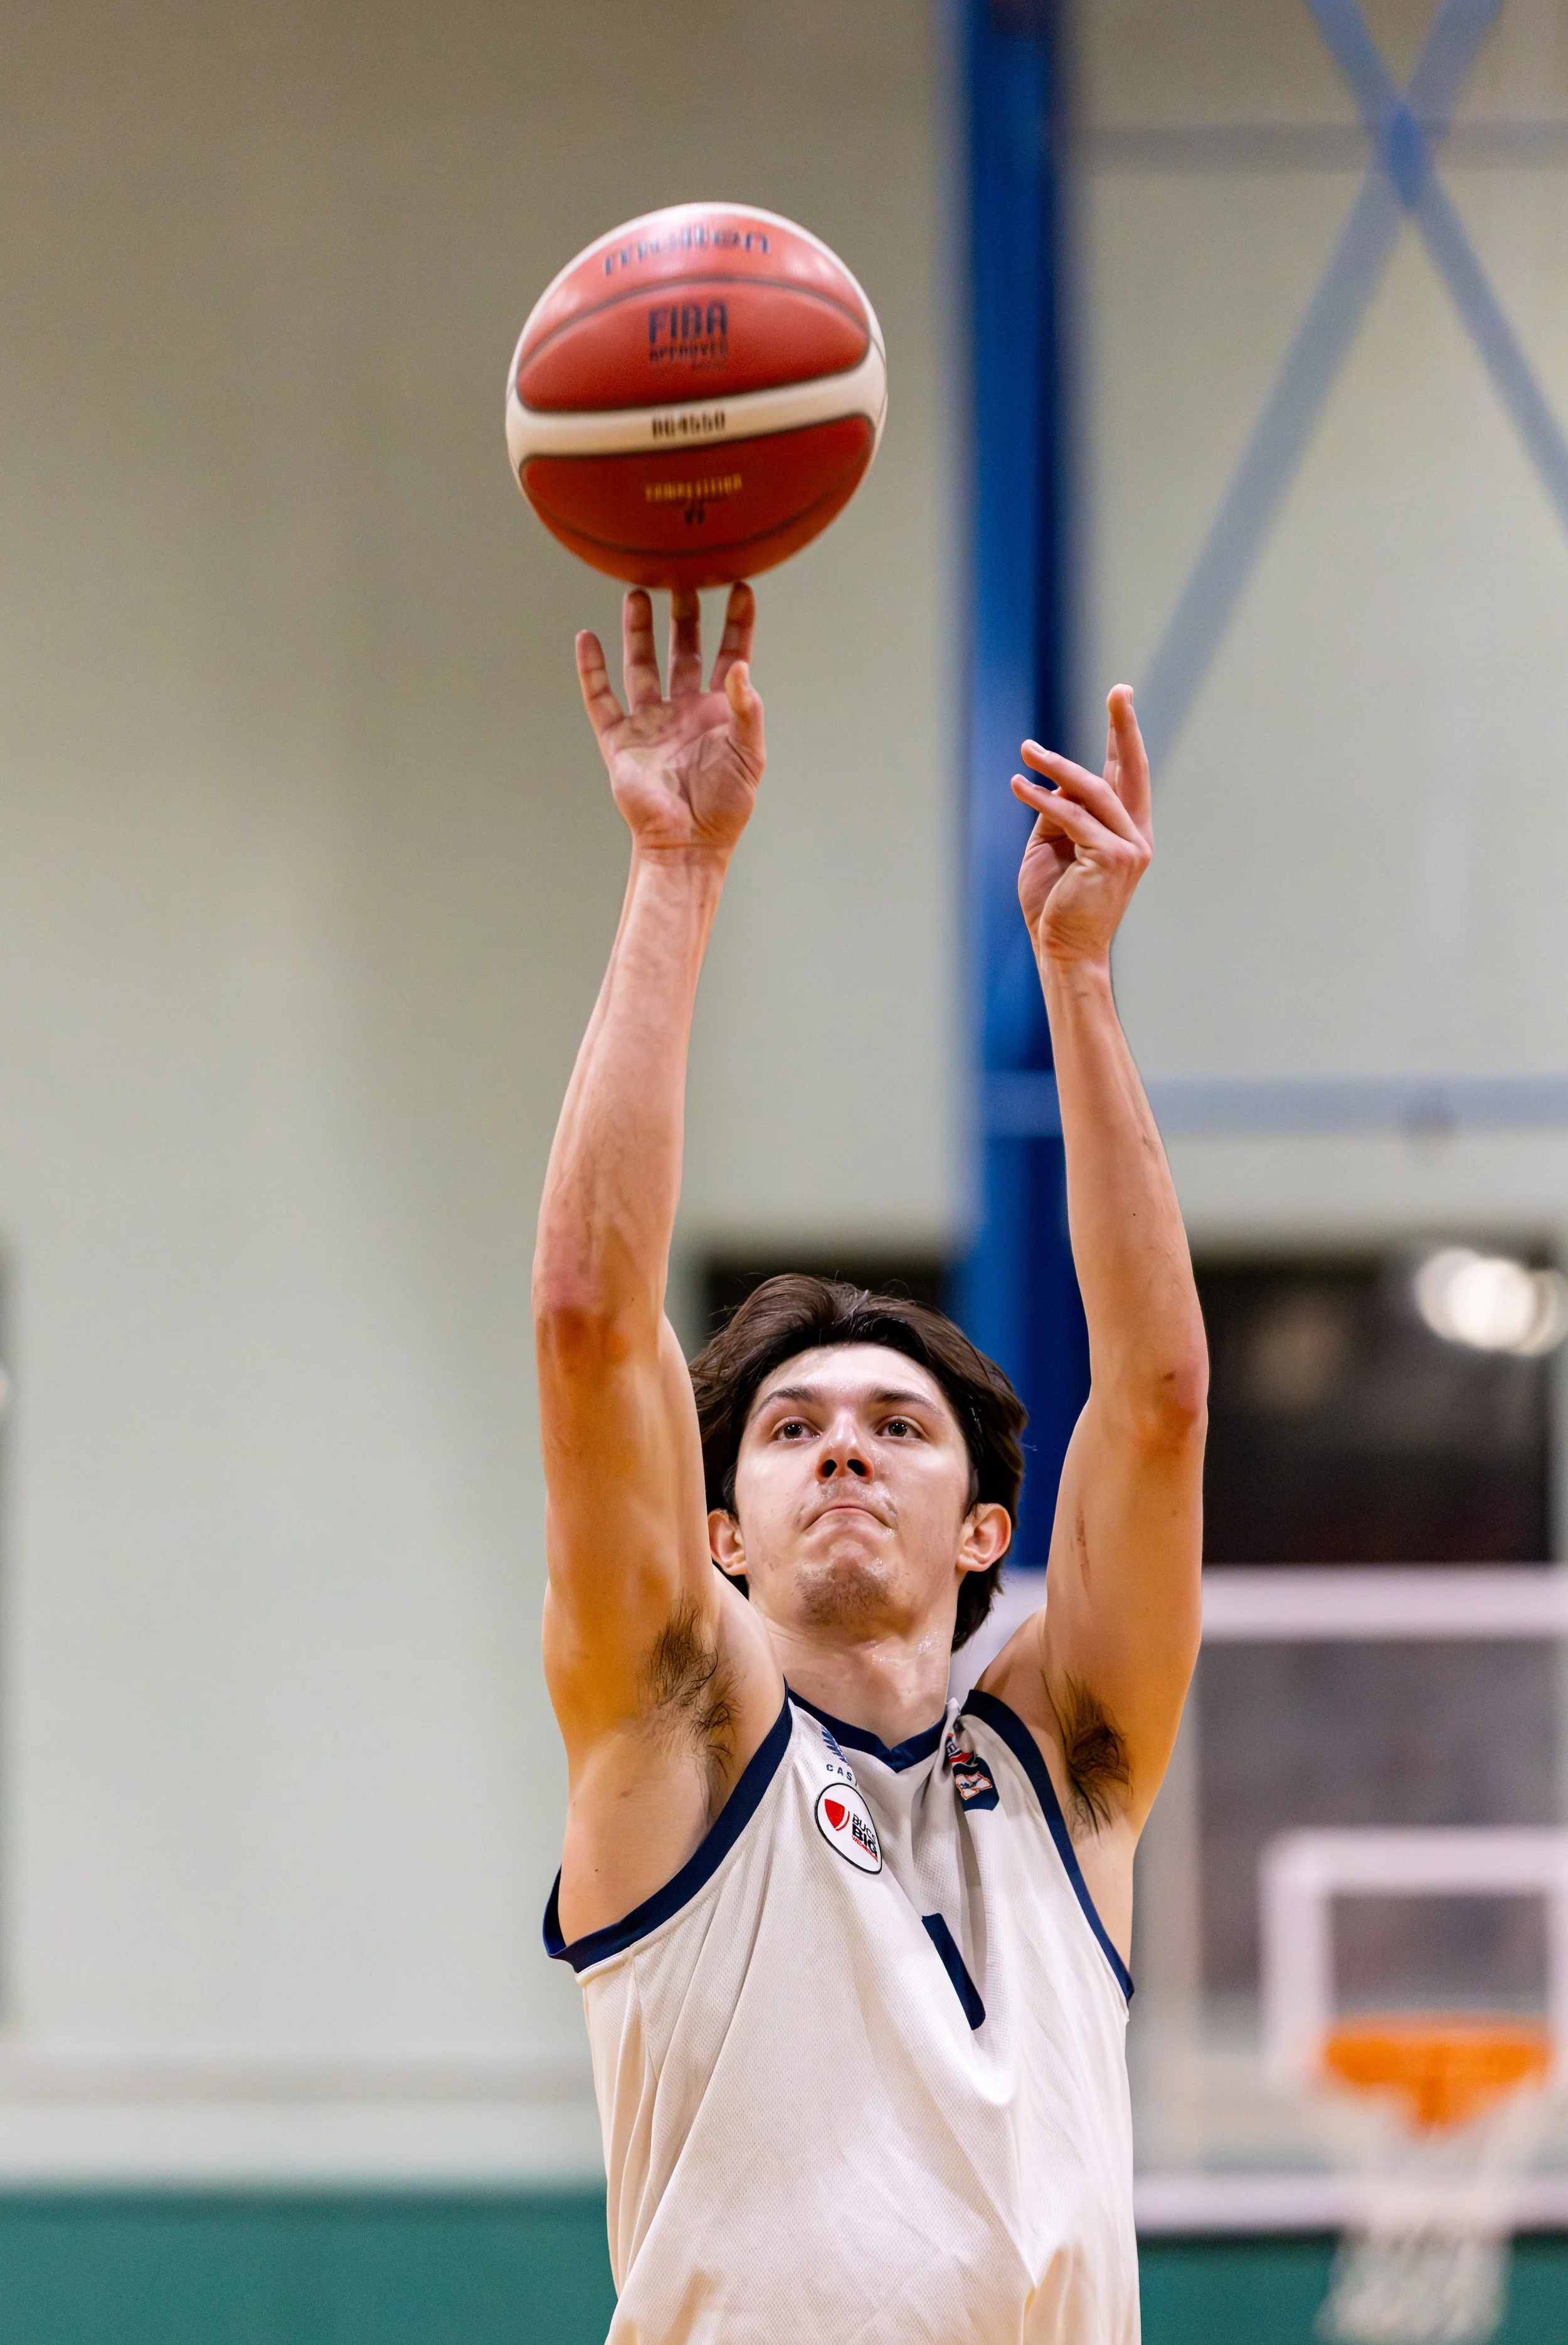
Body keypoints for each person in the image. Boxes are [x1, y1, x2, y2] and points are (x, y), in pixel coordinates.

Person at [533, 582, 1207, 2344]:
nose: (842, 1445)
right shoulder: (674, 1729)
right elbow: (592, 1318)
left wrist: (1077, 975)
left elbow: (1154, 1400)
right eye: (788, 1428)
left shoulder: (1069, 1760)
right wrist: (673, 875)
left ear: (986, 1524)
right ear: (719, 1532)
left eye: (894, 1427)